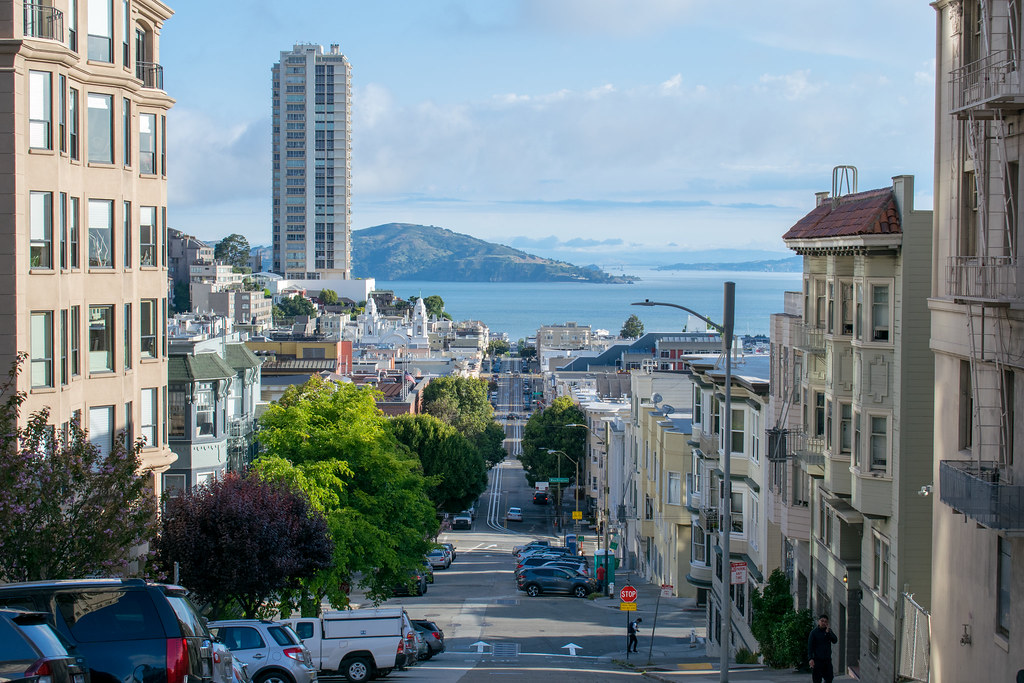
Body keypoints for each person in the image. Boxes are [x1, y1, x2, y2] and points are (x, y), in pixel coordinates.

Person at [807, 614, 838, 683]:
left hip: (827, 660)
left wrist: (828, 632)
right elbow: (810, 647)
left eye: (825, 621)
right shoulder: (814, 633)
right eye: (822, 621)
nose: (823, 623)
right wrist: (810, 659)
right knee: (817, 680)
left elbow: (835, 640)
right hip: (817, 660)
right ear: (819, 621)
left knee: (829, 678)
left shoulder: (828, 631)